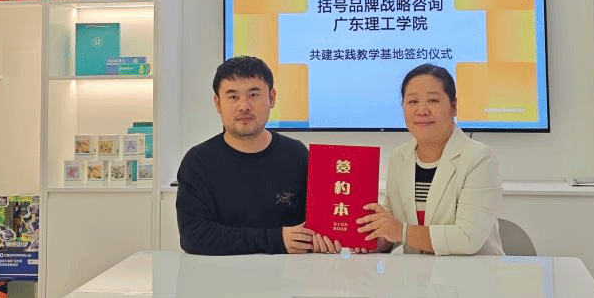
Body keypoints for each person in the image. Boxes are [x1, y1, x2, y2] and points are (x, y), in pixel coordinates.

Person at [176, 55, 335, 255]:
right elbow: (194, 235)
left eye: (253, 94)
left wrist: (332, 238)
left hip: (290, 273)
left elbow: (321, 222)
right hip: (220, 274)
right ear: (218, 103)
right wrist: (276, 240)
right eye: (233, 97)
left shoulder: (297, 155)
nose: (244, 106)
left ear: (272, 98)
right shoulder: (198, 162)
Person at [356, 64, 504, 255]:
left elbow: (467, 239)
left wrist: (401, 232)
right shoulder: (398, 158)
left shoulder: (479, 158)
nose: (422, 110)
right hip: (415, 272)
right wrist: (376, 239)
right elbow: (393, 231)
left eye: (433, 100)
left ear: (454, 106)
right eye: (412, 102)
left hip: (472, 272)